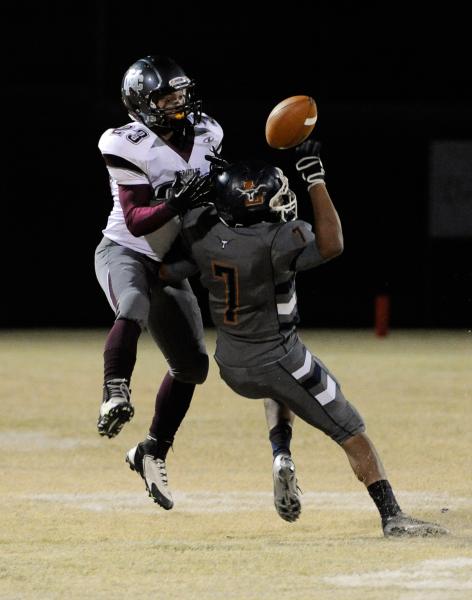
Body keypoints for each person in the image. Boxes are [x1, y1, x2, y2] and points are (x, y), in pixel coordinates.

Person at [160, 139, 449, 537]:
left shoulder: (202, 230)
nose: (283, 201)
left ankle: (281, 453)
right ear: (258, 206)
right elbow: (332, 244)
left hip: (230, 360)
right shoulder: (279, 238)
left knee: (277, 390)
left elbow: (168, 271)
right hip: (280, 356)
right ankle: (392, 516)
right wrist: (315, 178)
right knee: (352, 430)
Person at [94, 55, 223, 510]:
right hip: (127, 250)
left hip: (171, 260)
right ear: (142, 104)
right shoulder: (125, 142)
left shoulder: (208, 132)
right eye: (168, 97)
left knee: (193, 367)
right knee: (132, 303)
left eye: (181, 93)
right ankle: (114, 391)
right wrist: (176, 203)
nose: (179, 102)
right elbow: (135, 219)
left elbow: (212, 197)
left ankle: (151, 451)